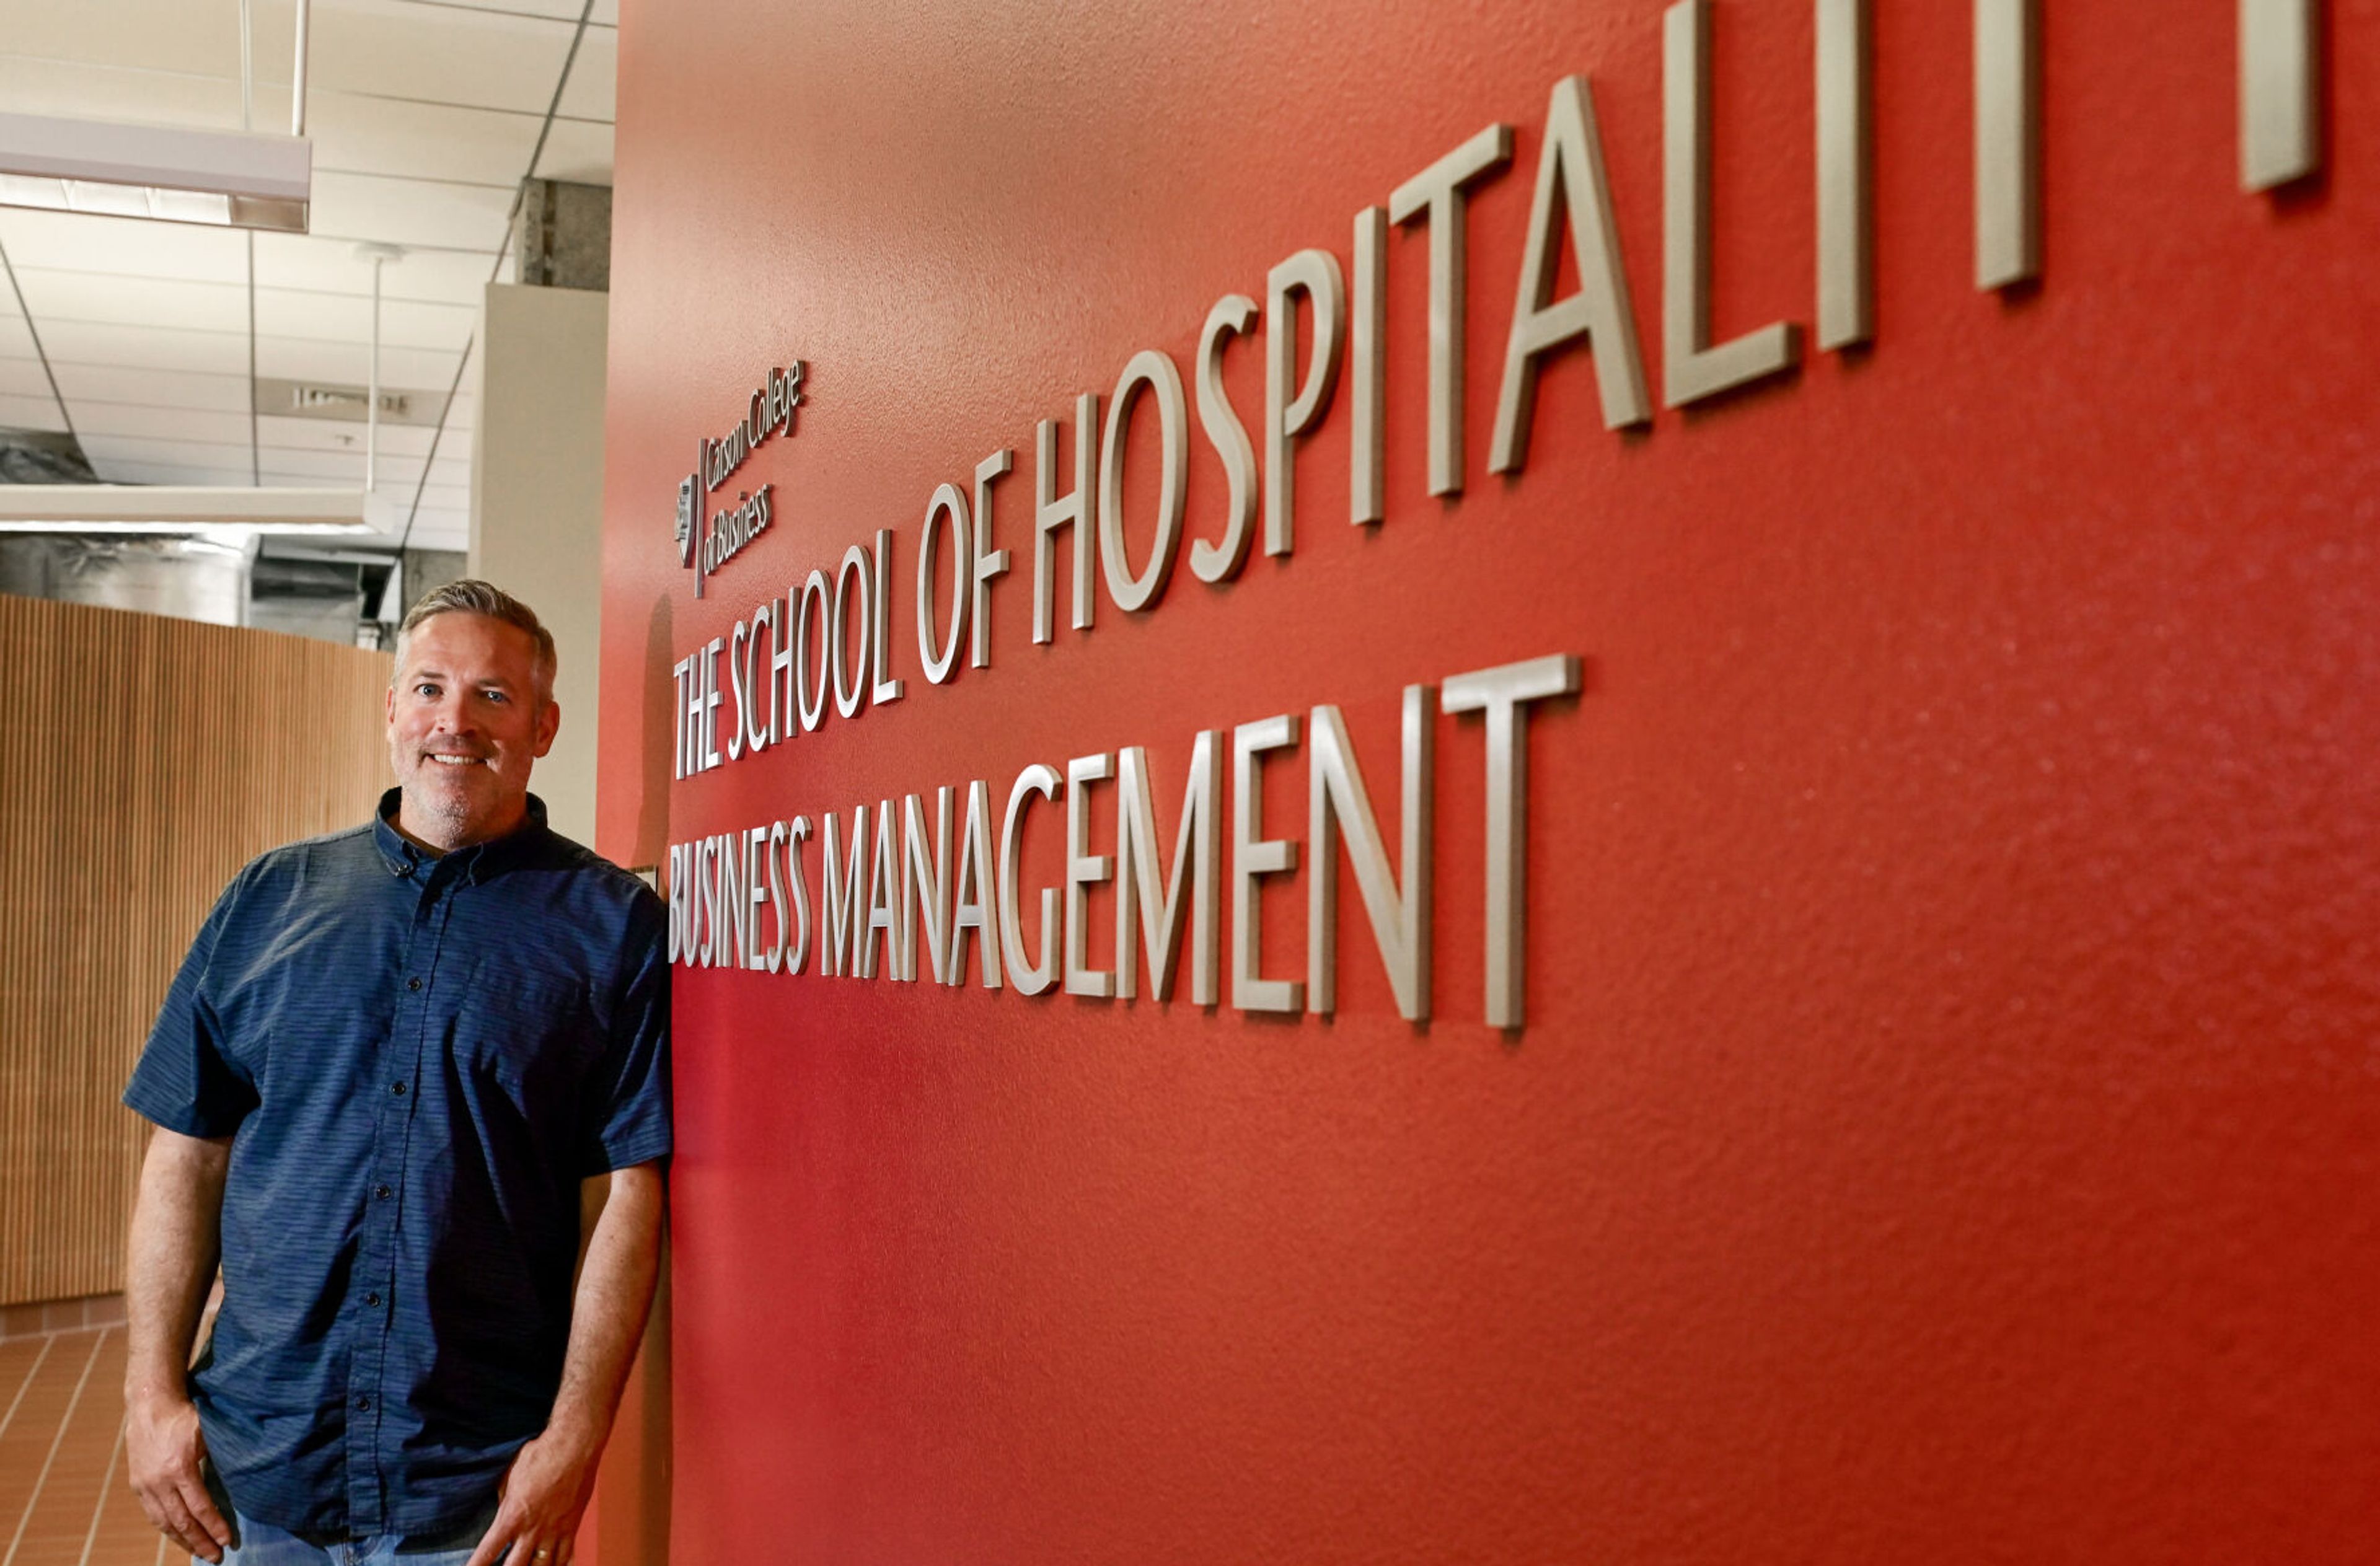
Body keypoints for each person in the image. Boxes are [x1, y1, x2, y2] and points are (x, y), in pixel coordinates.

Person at [119, 581, 671, 1566]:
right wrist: (150, 1393)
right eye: (429, 688)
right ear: (392, 712)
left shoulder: (611, 927)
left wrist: (577, 1440)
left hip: (475, 1492)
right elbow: (186, 1156)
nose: (454, 722)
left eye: (493, 698)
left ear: (543, 726)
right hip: (261, 1472)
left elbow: (628, 1193)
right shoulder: (268, 898)